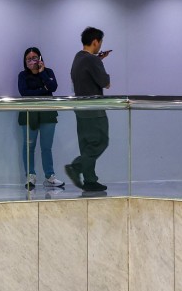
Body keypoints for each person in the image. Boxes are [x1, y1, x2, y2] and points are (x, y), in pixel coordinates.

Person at [65, 26, 112, 192]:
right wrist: (99, 63)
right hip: (94, 109)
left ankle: (90, 180)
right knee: (100, 141)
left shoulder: (78, 58)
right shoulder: (93, 60)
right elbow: (105, 83)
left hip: (81, 109)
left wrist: (98, 60)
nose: (100, 45)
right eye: (100, 42)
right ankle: (76, 167)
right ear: (95, 41)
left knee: (86, 145)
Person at [17, 47, 64, 190]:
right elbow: (24, 93)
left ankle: (50, 176)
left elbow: (53, 87)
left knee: (46, 147)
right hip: (29, 114)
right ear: (25, 61)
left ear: (40, 58)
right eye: (28, 59)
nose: (32, 61)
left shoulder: (48, 72)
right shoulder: (22, 75)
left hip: (47, 114)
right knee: (29, 147)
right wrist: (43, 90)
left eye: (35, 57)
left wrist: (43, 73)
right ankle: (30, 176)